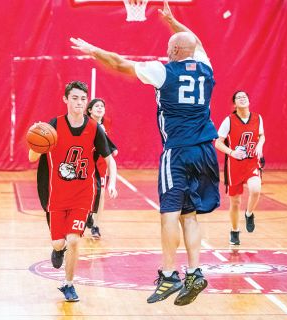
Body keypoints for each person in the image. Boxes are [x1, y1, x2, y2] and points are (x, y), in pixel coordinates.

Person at [70, 0, 219, 306]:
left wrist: (94, 51)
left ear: (175, 52)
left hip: (178, 151)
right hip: (206, 151)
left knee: (169, 213)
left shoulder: (163, 72)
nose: (167, 51)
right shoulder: (205, 66)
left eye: (169, 47)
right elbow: (197, 42)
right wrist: (174, 22)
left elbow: (120, 63)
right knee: (190, 216)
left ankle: (168, 275)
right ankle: (195, 271)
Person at [28, 81, 118, 302]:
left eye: (82, 99)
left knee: (75, 240)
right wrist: (36, 141)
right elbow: (32, 158)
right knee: (60, 242)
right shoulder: (53, 126)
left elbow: (110, 159)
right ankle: (58, 250)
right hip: (56, 195)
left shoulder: (94, 128)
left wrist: (112, 182)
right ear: (65, 99)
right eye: (75, 98)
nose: (79, 102)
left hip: (82, 194)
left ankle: (68, 284)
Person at [215, 91, 265, 245]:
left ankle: (249, 214)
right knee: (235, 202)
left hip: (251, 162)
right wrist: (232, 152)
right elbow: (218, 142)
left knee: (256, 189)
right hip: (234, 166)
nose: (242, 99)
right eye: (238, 97)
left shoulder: (258, 118)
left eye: (245, 97)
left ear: (249, 101)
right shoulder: (229, 120)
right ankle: (235, 230)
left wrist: (260, 146)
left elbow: (261, 135)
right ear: (234, 104)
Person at [85, 98, 118, 239]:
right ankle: (87, 215)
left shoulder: (107, 122)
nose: (100, 108)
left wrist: (112, 149)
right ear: (90, 110)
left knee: (101, 195)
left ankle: (96, 226)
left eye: (102, 106)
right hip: (86, 163)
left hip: (100, 164)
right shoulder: (84, 123)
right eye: (96, 106)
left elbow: (105, 143)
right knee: (86, 194)